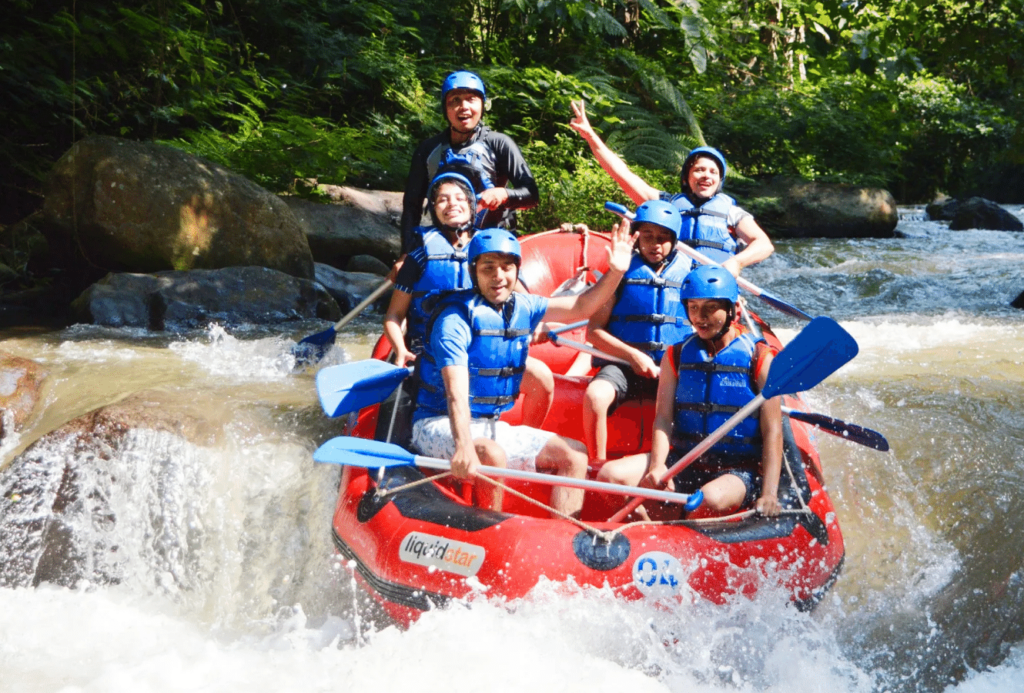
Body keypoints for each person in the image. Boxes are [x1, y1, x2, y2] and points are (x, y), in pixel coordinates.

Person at [412, 224, 634, 515]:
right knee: (490, 453)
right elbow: (455, 393)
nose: (498, 276)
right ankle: (488, 530)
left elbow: (581, 306)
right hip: (436, 424)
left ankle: (561, 541)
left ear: (517, 270)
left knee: (575, 455)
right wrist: (464, 445)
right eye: (488, 268)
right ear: (473, 271)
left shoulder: (523, 306)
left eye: (506, 267)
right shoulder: (454, 319)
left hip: (486, 423)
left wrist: (615, 272)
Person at [597, 265, 783, 519]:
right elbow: (663, 418)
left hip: (737, 470)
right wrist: (658, 466)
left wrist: (770, 493)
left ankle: (683, 526)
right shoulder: (676, 355)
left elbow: (773, 430)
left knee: (708, 500)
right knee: (610, 476)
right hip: (683, 459)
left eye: (710, 307)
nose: (700, 317)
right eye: (693, 307)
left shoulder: (759, 357)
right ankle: (650, 529)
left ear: (733, 311)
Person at [381, 173, 553, 443]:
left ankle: (524, 446)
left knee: (542, 377)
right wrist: (400, 349)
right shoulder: (418, 256)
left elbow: (521, 298)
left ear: (472, 206)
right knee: (394, 403)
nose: (452, 204)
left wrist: (539, 323)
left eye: (460, 198)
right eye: (442, 199)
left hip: (482, 346)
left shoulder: (490, 250)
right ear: (433, 208)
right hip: (430, 351)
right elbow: (393, 315)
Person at [569, 100, 774, 278]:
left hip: (713, 288)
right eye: (699, 170)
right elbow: (622, 175)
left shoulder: (731, 212)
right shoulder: (666, 204)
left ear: (719, 180)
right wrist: (591, 137)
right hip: (674, 283)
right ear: (686, 177)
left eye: (713, 172)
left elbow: (764, 244)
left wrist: (736, 263)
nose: (706, 175)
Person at [582, 199, 694, 461]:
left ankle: (676, 465)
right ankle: (597, 466)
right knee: (595, 397)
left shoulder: (690, 275)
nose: (655, 244)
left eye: (663, 237)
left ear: (675, 240)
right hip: (623, 365)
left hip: (672, 367)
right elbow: (593, 332)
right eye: (648, 236)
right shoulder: (619, 272)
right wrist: (633, 356)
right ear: (636, 236)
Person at [400, 71, 539, 256]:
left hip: (493, 242)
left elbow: (532, 195)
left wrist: (503, 193)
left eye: (471, 99)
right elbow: (411, 207)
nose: (463, 107)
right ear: (445, 108)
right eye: (455, 100)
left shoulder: (499, 144)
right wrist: (406, 254)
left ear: (482, 105)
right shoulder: (428, 150)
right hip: (444, 242)